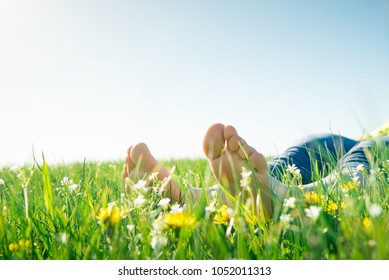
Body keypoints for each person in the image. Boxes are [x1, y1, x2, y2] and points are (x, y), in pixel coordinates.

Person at [122, 123, 389, 219]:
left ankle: (291, 196)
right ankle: (203, 197)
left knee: (366, 153)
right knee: (297, 155)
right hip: (353, 136)